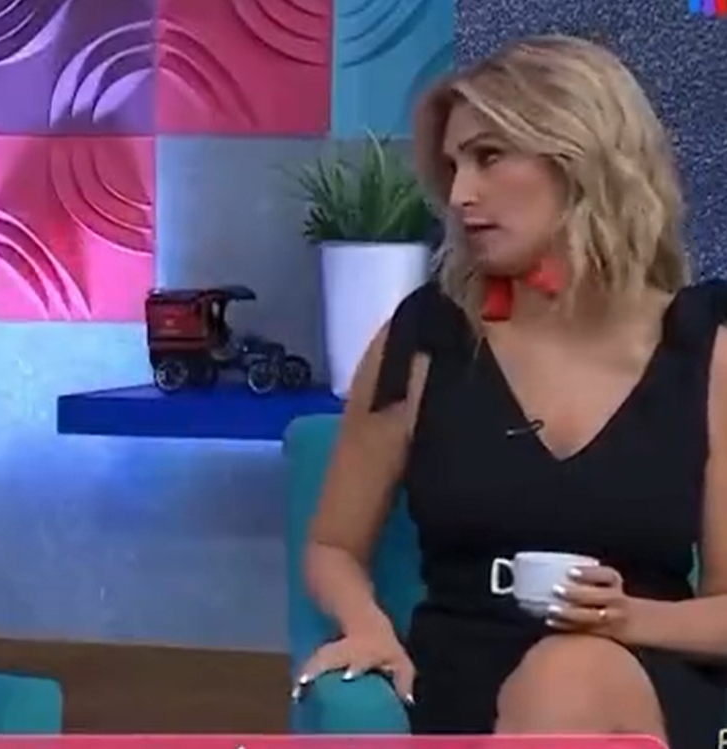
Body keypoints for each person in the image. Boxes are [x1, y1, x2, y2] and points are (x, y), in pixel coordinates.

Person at [298, 35, 727, 747]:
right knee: (557, 680)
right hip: (463, 678)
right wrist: (368, 624)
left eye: (490, 157)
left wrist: (626, 619)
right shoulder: (426, 338)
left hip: (647, 676)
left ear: (581, 160)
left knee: (571, 672)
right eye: (454, 165)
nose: (461, 194)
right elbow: (332, 544)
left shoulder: (708, 347)